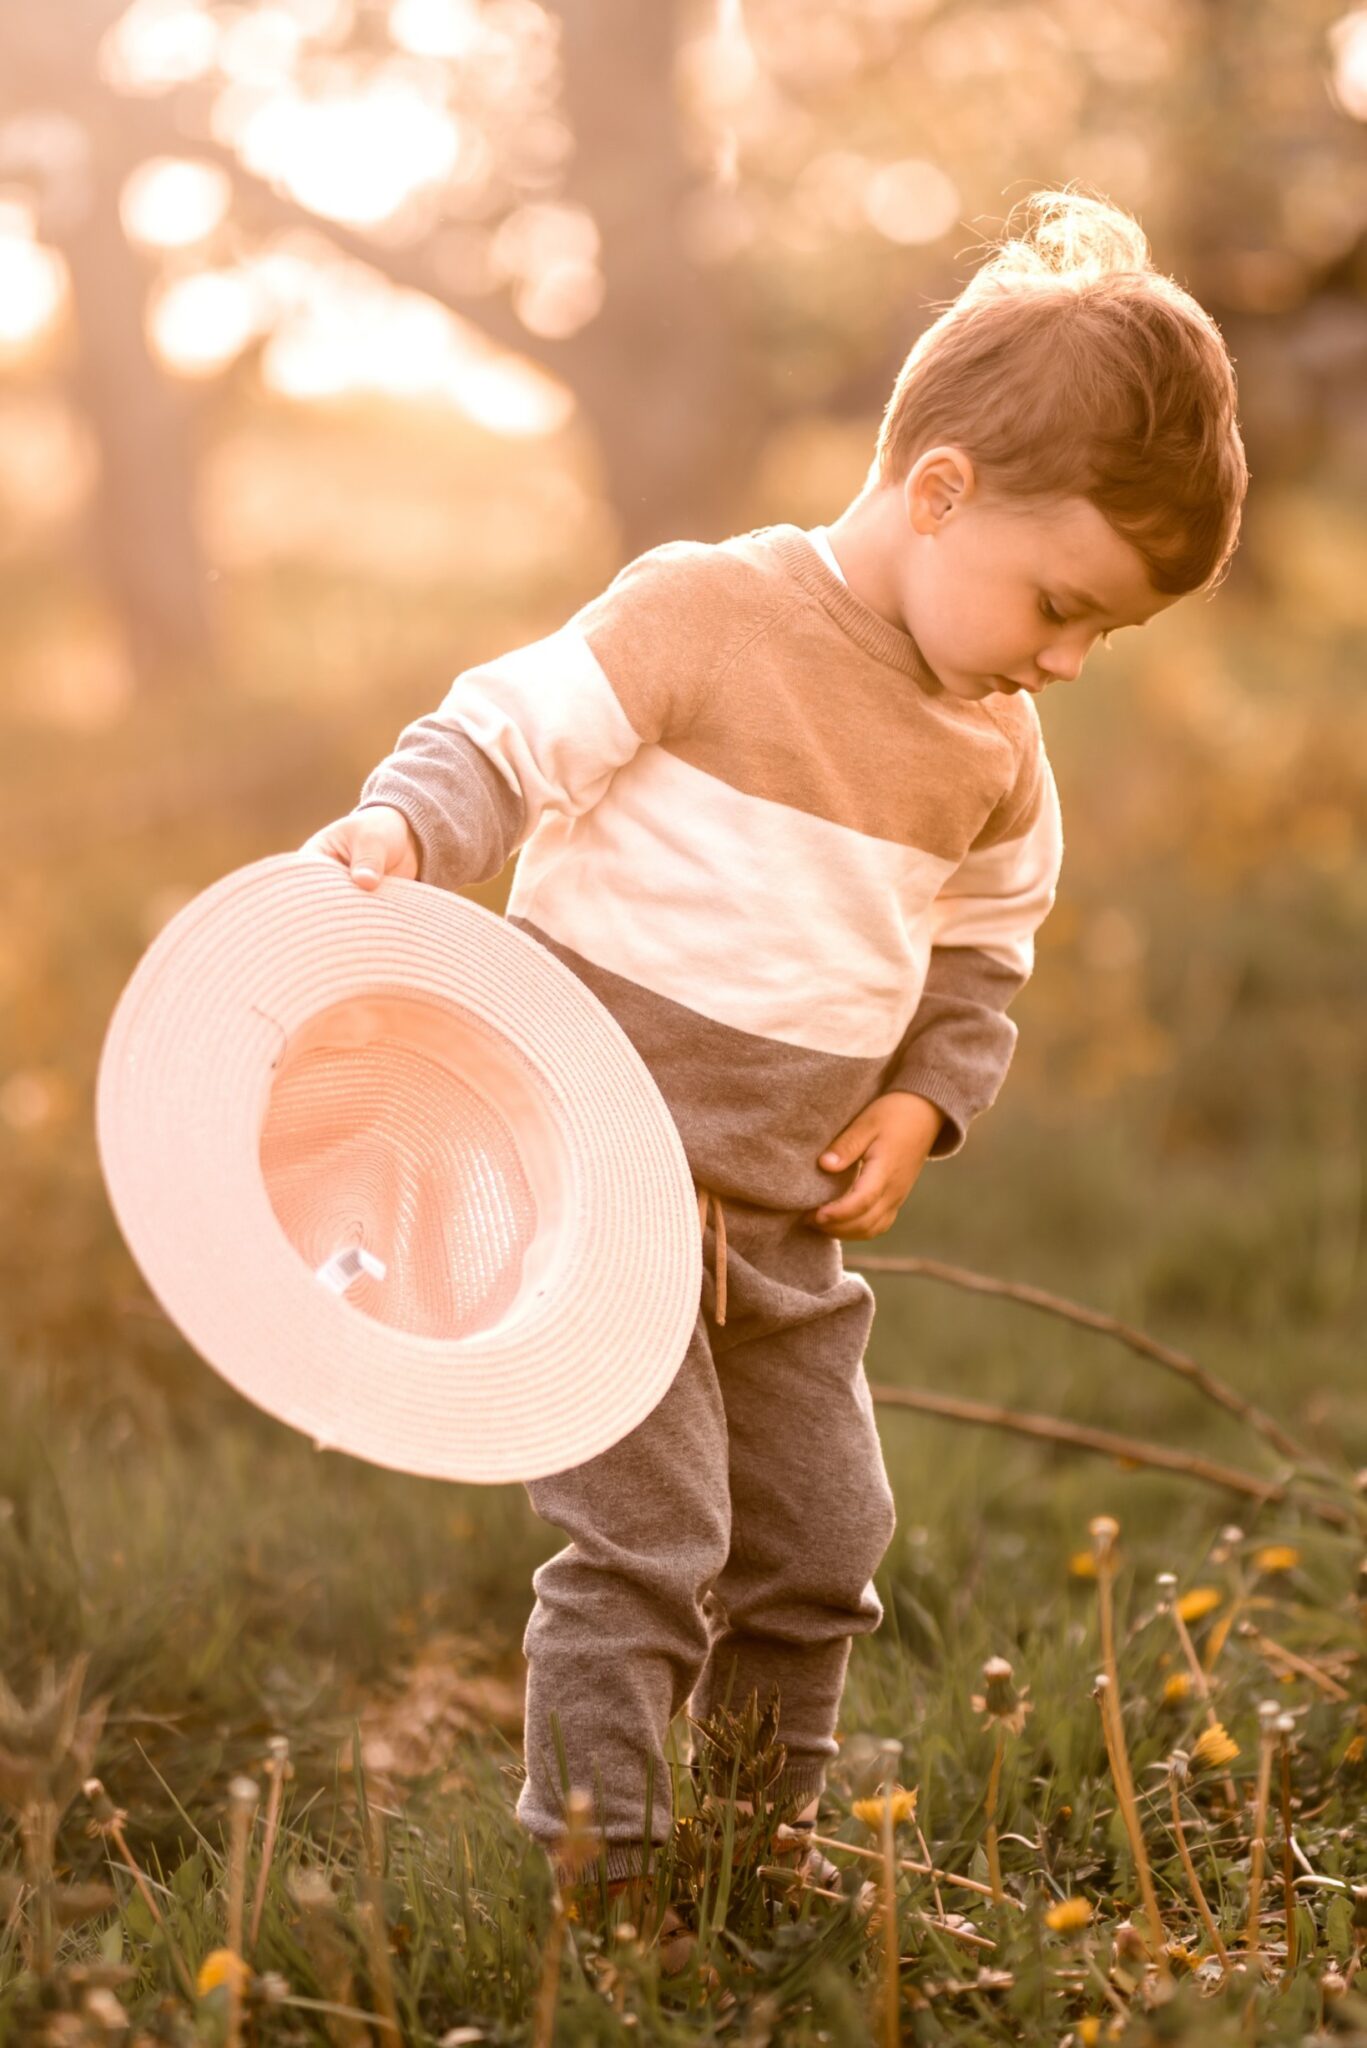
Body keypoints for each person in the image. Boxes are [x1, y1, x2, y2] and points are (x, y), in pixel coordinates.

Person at [303, 188, 1247, 1964]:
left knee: (825, 1540)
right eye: (1060, 606)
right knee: (648, 1546)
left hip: (787, 1229)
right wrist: (408, 827)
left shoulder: (995, 752)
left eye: (1099, 641)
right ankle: (611, 1881)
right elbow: (513, 726)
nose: (1061, 659)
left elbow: (987, 944)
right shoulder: (707, 612)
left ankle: (756, 1849)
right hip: (596, 1183)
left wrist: (924, 1096)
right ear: (944, 487)